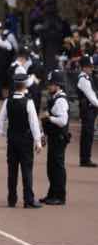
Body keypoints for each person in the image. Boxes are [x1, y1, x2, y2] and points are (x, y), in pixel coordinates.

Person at [0, 71, 43, 208]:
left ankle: (11, 199)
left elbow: (0, 122)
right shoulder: (29, 102)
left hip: (12, 140)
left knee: (12, 170)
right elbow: (34, 123)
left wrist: (5, 133)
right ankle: (28, 200)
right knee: (26, 170)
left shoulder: (7, 101)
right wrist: (38, 141)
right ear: (24, 86)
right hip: (25, 140)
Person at [40, 70, 70, 205]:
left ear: (58, 85)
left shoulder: (61, 100)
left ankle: (60, 196)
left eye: (51, 84)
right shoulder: (54, 98)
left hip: (59, 138)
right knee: (51, 167)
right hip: (54, 137)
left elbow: (63, 121)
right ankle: (52, 194)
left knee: (57, 167)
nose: (49, 87)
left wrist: (49, 117)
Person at [76, 55, 98, 167]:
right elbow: (91, 96)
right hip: (87, 109)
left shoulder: (87, 78)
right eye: (89, 66)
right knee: (87, 134)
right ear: (84, 67)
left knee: (88, 134)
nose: (91, 68)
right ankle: (85, 159)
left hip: (90, 109)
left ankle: (85, 158)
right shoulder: (83, 79)